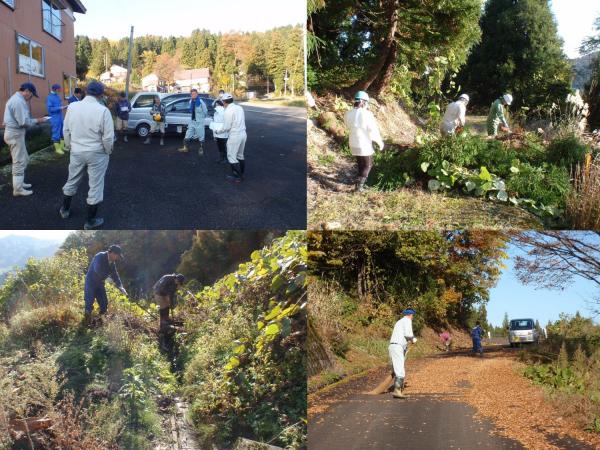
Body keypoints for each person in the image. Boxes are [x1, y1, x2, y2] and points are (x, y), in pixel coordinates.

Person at [59, 81, 114, 230]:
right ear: (100, 94)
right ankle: (90, 221)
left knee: (72, 179)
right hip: (96, 152)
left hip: (76, 150)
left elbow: (66, 130)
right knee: (95, 185)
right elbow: (108, 138)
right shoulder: (103, 111)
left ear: (86, 91)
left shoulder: (72, 107)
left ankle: (64, 209)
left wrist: (69, 145)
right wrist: (108, 151)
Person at [2, 82, 49, 196]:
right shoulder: (18, 101)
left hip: (14, 133)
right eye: (32, 95)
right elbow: (24, 122)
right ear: (27, 91)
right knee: (19, 161)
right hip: (15, 134)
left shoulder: (15, 99)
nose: (31, 98)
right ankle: (17, 189)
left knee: (24, 159)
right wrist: (40, 120)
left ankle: (19, 183)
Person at [344, 91, 384, 192]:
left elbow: (348, 125)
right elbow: (373, 130)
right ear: (363, 102)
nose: (367, 105)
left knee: (361, 164)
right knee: (368, 165)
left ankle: (358, 185)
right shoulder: (367, 114)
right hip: (364, 144)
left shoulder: (348, 113)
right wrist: (380, 142)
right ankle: (359, 188)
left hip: (353, 143)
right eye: (366, 103)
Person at [83, 244, 127, 325]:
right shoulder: (100, 256)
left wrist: (121, 287)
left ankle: (100, 323)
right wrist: (106, 278)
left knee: (104, 303)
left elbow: (115, 275)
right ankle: (86, 323)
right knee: (89, 302)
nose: (117, 258)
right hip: (91, 282)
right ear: (112, 253)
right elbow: (97, 269)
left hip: (100, 284)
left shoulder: (112, 263)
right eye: (117, 256)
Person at [209, 93, 247, 182]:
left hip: (235, 135)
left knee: (231, 156)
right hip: (243, 134)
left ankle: (238, 177)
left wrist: (217, 131)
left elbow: (226, 127)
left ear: (224, 102)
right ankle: (241, 173)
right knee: (240, 155)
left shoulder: (228, 111)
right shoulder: (239, 107)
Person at [389, 308, 417, 399]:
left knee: (397, 368)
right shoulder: (407, 321)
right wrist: (413, 339)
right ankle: (397, 391)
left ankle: (398, 388)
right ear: (410, 315)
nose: (413, 317)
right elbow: (408, 334)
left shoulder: (399, 322)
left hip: (394, 346)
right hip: (397, 347)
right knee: (400, 369)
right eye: (413, 316)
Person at [179, 89, 208, 154]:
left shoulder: (201, 102)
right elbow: (191, 111)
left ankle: (201, 149)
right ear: (191, 95)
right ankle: (185, 148)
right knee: (187, 134)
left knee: (201, 136)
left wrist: (201, 119)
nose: (193, 95)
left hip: (199, 122)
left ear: (197, 94)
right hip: (192, 121)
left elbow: (205, 111)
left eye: (195, 93)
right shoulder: (190, 101)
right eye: (192, 94)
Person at [46, 83, 67, 155]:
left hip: (60, 117)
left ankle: (62, 146)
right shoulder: (50, 97)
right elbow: (50, 109)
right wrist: (60, 108)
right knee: (56, 132)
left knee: (62, 132)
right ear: (56, 89)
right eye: (59, 89)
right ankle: (57, 149)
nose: (60, 91)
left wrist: (63, 107)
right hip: (54, 118)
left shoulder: (57, 96)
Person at [212, 96, 228, 163]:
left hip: (223, 134)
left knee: (223, 147)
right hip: (217, 134)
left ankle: (225, 159)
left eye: (218, 105)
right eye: (216, 105)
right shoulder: (215, 113)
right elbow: (214, 125)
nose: (217, 106)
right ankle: (221, 158)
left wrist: (219, 131)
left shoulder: (224, 113)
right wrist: (214, 135)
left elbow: (226, 124)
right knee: (219, 147)